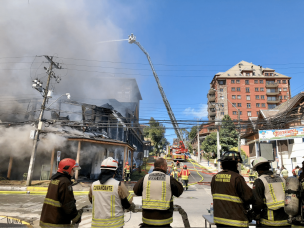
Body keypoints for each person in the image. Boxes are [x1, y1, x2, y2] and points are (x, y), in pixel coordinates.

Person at [133, 158, 183, 228]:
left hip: (147, 221)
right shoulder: (169, 179)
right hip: (164, 221)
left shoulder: (145, 178)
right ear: (162, 167)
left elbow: (136, 191)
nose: (167, 167)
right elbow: (179, 192)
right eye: (166, 165)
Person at [211, 151, 253, 228]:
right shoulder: (237, 177)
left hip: (220, 220)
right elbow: (248, 197)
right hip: (236, 220)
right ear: (234, 165)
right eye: (236, 164)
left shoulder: (215, 177)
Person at [89, 157, 134, 228]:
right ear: (114, 172)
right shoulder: (119, 185)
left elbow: (92, 201)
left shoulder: (93, 185)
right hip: (115, 225)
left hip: (96, 225)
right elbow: (128, 203)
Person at [40, 158, 82, 227]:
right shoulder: (65, 182)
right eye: (73, 169)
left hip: (47, 221)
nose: (74, 172)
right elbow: (68, 204)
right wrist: (76, 218)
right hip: (57, 223)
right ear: (67, 169)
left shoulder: (55, 180)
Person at [252, 157, 290, 228]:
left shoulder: (259, 181)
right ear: (269, 167)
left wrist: (256, 215)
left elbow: (258, 203)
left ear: (258, 170)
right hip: (286, 220)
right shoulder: (282, 179)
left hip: (269, 221)